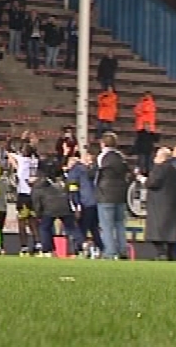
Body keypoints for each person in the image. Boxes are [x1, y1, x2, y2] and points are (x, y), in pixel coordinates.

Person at [32, 165, 81, 258]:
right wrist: (75, 207)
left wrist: (38, 214)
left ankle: (48, 250)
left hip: (49, 208)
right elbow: (72, 193)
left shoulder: (40, 184)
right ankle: (80, 248)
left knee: (44, 228)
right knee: (72, 228)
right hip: (64, 207)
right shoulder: (65, 180)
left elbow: (36, 200)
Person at [143, 147, 176, 261]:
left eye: (157, 156)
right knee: (171, 233)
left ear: (162, 157)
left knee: (157, 231)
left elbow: (152, 183)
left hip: (159, 205)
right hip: (172, 204)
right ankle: (172, 255)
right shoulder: (175, 169)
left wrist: (142, 179)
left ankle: (161, 253)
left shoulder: (160, 168)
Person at [96, 132, 130, 260]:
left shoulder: (102, 157)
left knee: (106, 225)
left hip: (105, 195)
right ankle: (123, 250)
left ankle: (109, 252)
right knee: (120, 223)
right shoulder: (121, 157)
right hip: (121, 194)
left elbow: (98, 175)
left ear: (103, 143)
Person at [9, 136, 42, 256]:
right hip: (34, 194)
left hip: (23, 194)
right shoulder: (35, 160)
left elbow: (9, 153)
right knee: (33, 221)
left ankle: (24, 246)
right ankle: (38, 244)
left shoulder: (23, 160)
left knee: (22, 221)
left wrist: (16, 165)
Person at [66, 150, 101, 258]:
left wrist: (76, 205)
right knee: (93, 228)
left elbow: (73, 188)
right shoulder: (92, 170)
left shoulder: (76, 171)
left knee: (82, 228)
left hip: (85, 203)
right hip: (93, 203)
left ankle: (80, 249)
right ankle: (101, 248)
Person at [133, 92, 158, 176]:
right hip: (142, 130)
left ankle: (146, 172)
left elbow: (142, 110)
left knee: (147, 158)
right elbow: (137, 111)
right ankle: (142, 172)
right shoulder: (141, 104)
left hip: (147, 133)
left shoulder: (150, 104)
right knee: (143, 158)